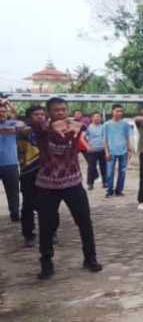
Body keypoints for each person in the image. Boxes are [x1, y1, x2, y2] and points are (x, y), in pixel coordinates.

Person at [33, 97, 102, 280]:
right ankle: (46, 264)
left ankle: (90, 258)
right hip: (47, 184)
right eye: (56, 110)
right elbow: (35, 124)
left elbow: (85, 128)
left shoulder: (75, 127)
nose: (61, 113)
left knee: (85, 222)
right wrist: (49, 125)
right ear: (49, 113)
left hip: (72, 183)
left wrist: (74, 125)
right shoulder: (42, 129)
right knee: (47, 226)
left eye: (63, 109)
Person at [18, 106, 46, 247]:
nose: (40, 116)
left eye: (42, 114)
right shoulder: (22, 130)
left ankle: (51, 232)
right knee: (28, 204)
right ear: (29, 117)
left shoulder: (49, 130)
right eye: (36, 114)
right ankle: (29, 235)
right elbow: (21, 129)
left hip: (47, 172)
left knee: (48, 204)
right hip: (28, 172)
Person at [0, 98, 23, 222]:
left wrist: (7, 102)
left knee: (13, 191)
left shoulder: (12, 123)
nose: (1, 113)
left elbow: (17, 116)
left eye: (3, 112)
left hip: (10, 164)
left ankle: (14, 213)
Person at [103, 104, 131, 198]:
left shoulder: (125, 124)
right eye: (117, 111)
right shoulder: (107, 124)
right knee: (110, 172)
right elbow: (105, 139)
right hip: (111, 151)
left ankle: (119, 190)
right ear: (112, 111)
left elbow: (127, 138)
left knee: (122, 172)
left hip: (123, 151)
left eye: (121, 111)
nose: (119, 113)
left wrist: (129, 150)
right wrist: (106, 152)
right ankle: (109, 191)